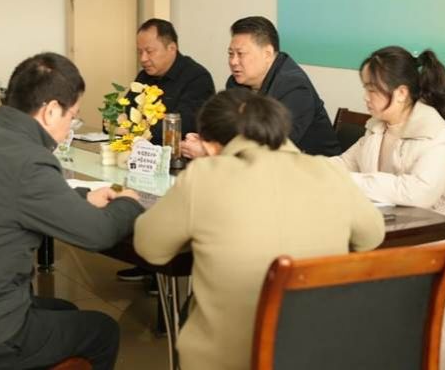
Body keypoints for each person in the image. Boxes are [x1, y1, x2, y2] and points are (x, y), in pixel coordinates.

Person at [134, 89, 385, 370]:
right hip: (317, 351)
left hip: (228, 359)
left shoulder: (204, 177)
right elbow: (372, 236)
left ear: (211, 147)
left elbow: (150, 247)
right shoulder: (330, 172)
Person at [0, 53, 143, 370]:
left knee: (65, 310)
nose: (70, 126)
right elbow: (99, 233)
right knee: (103, 330)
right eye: (73, 116)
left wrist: (83, 197)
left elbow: (13, 198)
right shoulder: (28, 159)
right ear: (51, 111)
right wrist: (129, 202)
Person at [333, 46, 445, 370]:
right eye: (365, 87)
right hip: (397, 242)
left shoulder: (436, 135)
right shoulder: (378, 126)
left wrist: (353, 181)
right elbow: (343, 164)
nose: (366, 96)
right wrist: (305, 169)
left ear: (400, 93)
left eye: (372, 89)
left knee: (429, 342)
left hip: (443, 247)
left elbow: (417, 192)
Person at [116, 18, 215, 284]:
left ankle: (161, 270)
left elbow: (185, 125)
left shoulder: (197, 78)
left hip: (181, 166)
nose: (143, 59)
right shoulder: (144, 77)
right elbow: (127, 116)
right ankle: (146, 262)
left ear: (172, 48)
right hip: (147, 163)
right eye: (139, 52)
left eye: (150, 51)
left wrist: (139, 132)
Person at [182, 16, 339, 158]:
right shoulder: (237, 82)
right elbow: (227, 129)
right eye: (230, 54)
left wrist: (211, 151)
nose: (233, 62)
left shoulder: (294, 87)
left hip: (311, 171)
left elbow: (273, 147)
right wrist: (208, 141)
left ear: (267, 54)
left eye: (240, 54)